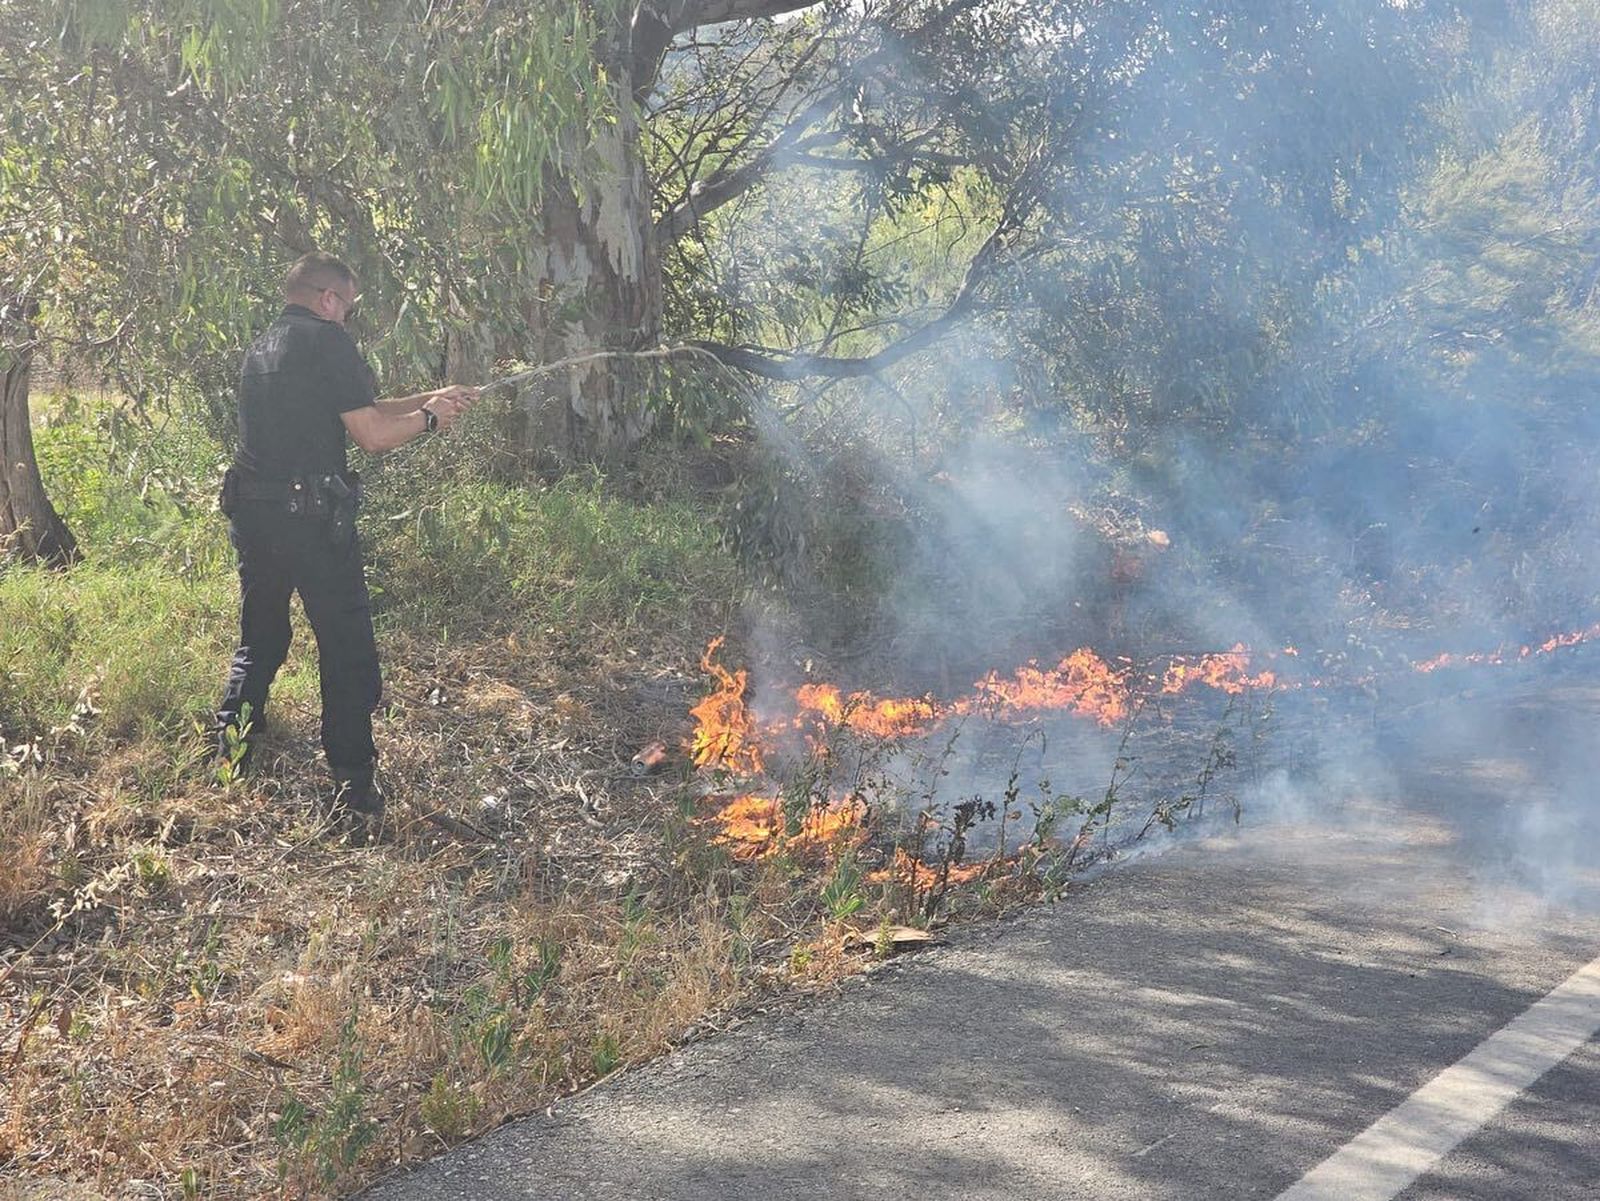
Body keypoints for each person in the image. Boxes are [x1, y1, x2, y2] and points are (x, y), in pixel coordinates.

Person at [215, 251, 477, 839]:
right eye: (349, 306)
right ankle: (353, 783)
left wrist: (432, 398)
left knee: (262, 635)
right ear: (329, 299)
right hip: (311, 521)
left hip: (255, 515)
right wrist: (431, 422)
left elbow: (360, 409)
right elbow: (374, 436)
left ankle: (230, 750)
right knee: (346, 645)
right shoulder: (328, 341)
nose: (347, 318)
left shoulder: (265, 347)